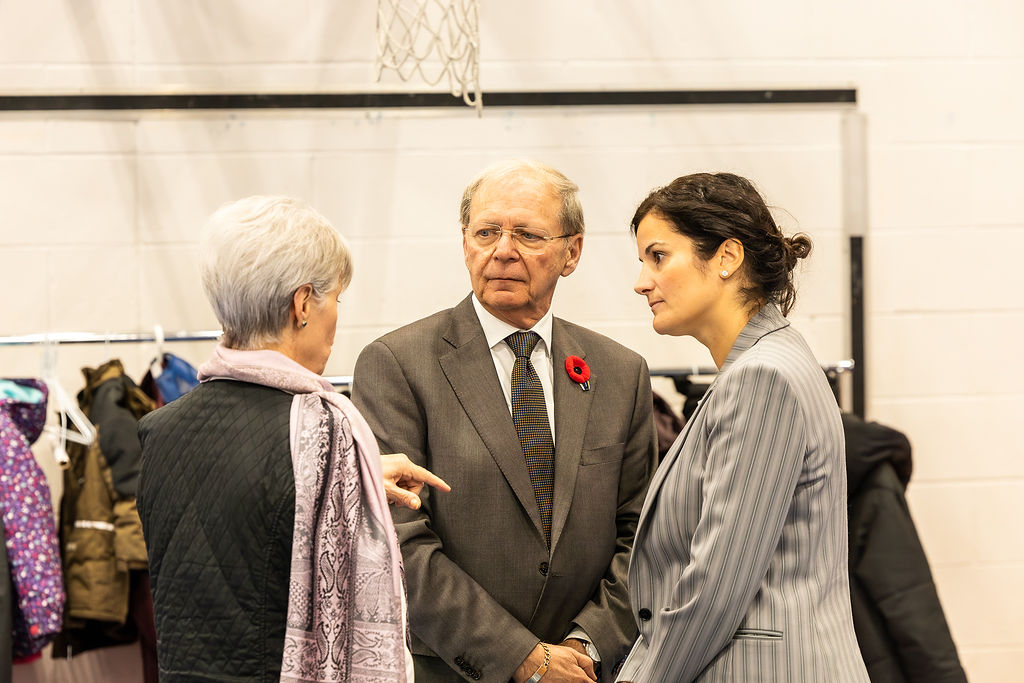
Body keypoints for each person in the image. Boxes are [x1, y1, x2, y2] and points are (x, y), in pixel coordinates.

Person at [352, 159, 658, 683]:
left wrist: (585, 647)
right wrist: (523, 658)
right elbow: (399, 541)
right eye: (486, 232)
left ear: (572, 252)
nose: (503, 250)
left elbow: (643, 536)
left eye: (528, 234)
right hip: (454, 671)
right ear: (465, 242)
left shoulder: (620, 373)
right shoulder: (397, 365)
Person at [136, 196, 449, 682]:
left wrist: (355, 475)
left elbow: (239, 514)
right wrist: (345, 470)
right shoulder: (325, 428)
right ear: (302, 304)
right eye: (336, 298)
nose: (336, 317)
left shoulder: (160, 428)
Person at [618, 173, 870, 682]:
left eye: (658, 256)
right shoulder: (771, 360)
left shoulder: (762, 377)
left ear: (727, 258)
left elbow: (717, 584)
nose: (642, 280)